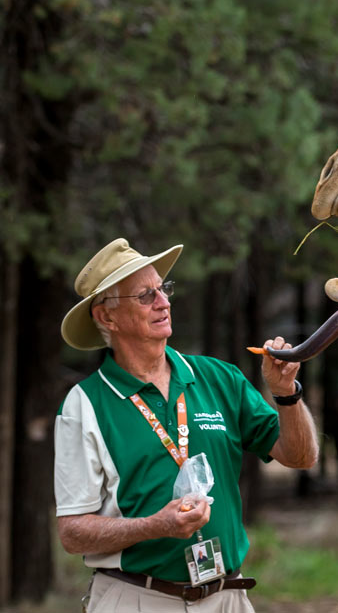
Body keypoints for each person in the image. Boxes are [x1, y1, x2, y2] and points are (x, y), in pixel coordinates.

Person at [54, 238, 319, 611]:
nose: (163, 302)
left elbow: (300, 456)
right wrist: (155, 526)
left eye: (164, 289)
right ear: (106, 317)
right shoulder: (85, 404)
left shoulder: (218, 378)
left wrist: (287, 395)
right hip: (138, 599)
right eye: (145, 295)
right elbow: (73, 533)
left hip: (228, 597)